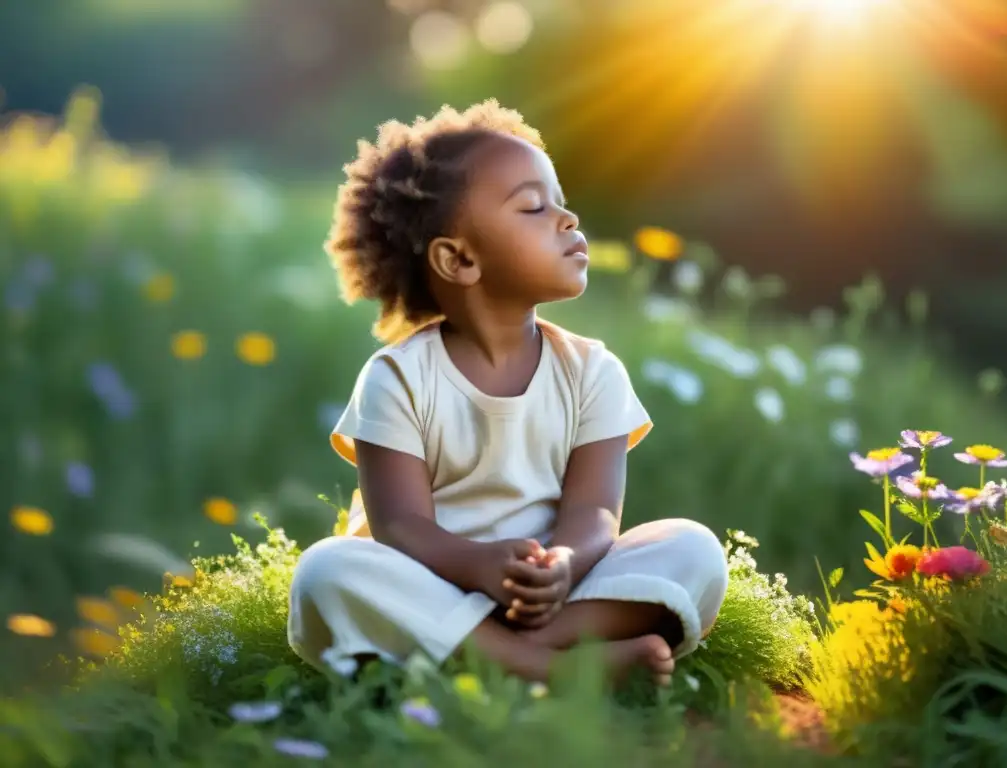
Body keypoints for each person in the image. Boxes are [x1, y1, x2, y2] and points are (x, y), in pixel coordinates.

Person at [287, 100, 728, 688]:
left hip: (554, 593)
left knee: (694, 549)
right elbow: (400, 526)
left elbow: (595, 510)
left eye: (560, 201)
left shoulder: (593, 370)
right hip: (431, 583)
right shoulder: (396, 377)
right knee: (326, 571)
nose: (568, 219)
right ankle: (553, 669)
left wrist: (564, 567)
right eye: (533, 206)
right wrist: (477, 565)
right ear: (459, 258)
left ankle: (492, 654)